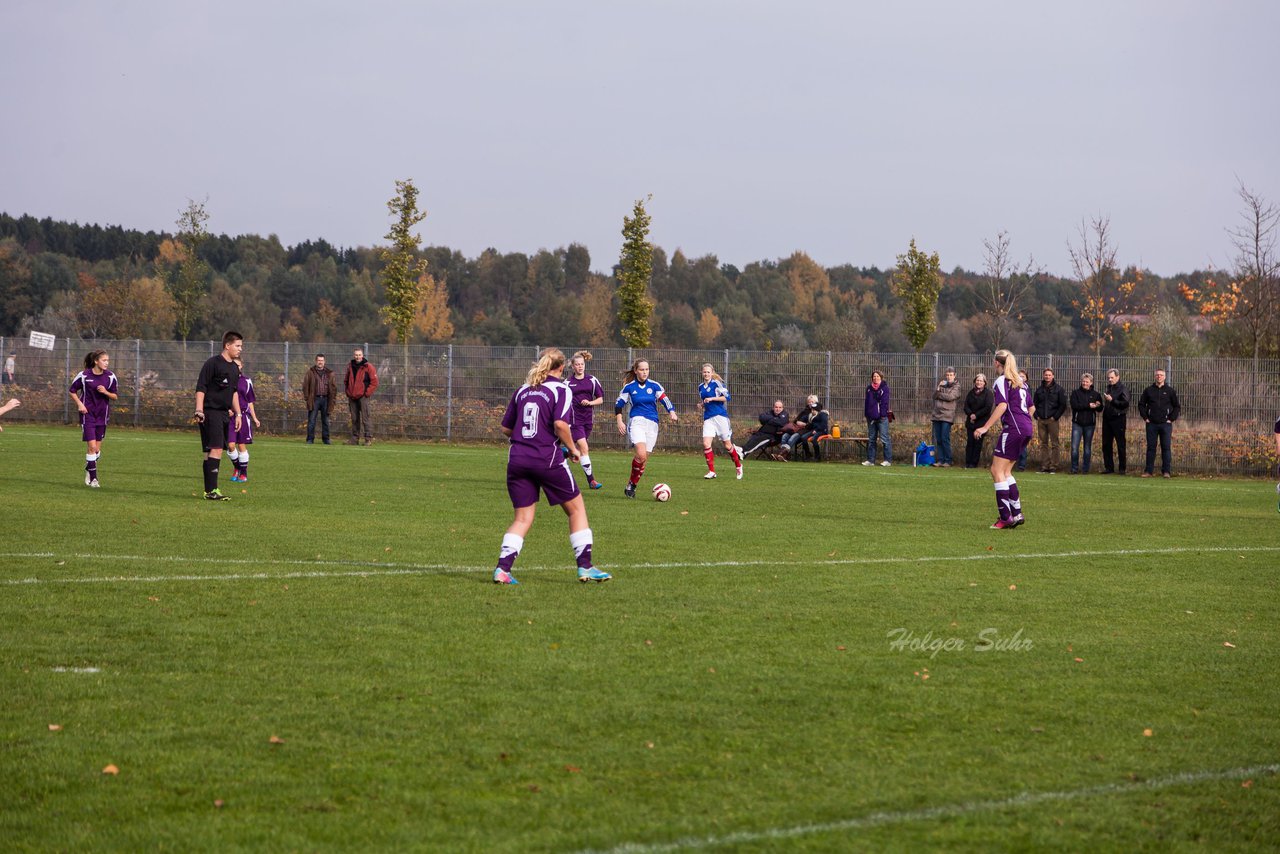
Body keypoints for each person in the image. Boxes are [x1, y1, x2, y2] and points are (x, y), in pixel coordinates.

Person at [493, 347, 609, 585]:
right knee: (576, 510)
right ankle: (585, 566)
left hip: (517, 459)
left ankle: (502, 569)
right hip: (546, 459)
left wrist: (528, 440)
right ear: (561, 367)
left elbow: (506, 428)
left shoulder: (522, 390)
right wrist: (573, 450)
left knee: (523, 518)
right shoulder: (561, 389)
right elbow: (560, 424)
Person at [973, 349, 1034, 530]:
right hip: (1026, 428)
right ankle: (1017, 513)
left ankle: (1005, 517)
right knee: (1006, 472)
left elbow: (1002, 405)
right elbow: (1031, 408)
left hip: (1014, 429)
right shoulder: (1021, 382)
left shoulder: (1002, 380)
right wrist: (1024, 423)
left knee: (996, 470)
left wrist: (985, 427)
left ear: (996, 363)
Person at [615, 358, 678, 498]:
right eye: (642, 369)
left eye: (647, 369)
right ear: (636, 370)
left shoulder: (654, 386)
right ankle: (632, 485)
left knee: (643, 459)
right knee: (641, 454)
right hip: (637, 422)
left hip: (653, 424)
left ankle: (632, 484)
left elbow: (664, 399)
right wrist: (619, 421)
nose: (645, 372)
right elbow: (619, 404)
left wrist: (672, 411)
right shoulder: (629, 387)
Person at [194, 331, 244, 501]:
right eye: (237, 346)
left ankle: (208, 491)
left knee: (210, 451)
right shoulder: (212, 363)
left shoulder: (234, 368)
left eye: (241, 346)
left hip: (224, 413)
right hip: (210, 412)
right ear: (227, 345)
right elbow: (201, 388)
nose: (240, 349)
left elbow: (234, 393)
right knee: (215, 449)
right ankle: (213, 490)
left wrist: (238, 414)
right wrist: (199, 410)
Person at [68, 349, 118, 488]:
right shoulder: (84, 375)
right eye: (104, 360)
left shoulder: (111, 376)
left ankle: (89, 467)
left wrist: (105, 392)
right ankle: (94, 480)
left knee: (96, 451)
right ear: (96, 361)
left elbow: (115, 396)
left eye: (108, 360)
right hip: (87, 414)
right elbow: (72, 391)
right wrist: (80, 404)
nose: (107, 363)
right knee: (92, 447)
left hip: (102, 415)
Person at [565, 351, 605, 489]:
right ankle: (592, 481)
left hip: (588, 419)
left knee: (578, 450)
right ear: (572, 366)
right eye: (577, 364)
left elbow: (600, 399)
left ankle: (564, 452)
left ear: (584, 365)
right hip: (574, 420)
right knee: (584, 448)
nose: (580, 367)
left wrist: (590, 403)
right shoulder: (567, 383)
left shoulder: (592, 380)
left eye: (582, 364)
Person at [698, 363, 744, 479]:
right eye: (704, 372)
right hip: (708, 418)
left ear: (712, 373)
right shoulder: (700, 387)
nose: (706, 374)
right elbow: (706, 401)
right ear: (702, 373)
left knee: (728, 445)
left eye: (708, 372)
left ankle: (738, 466)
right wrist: (702, 404)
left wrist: (712, 398)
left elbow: (727, 397)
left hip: (720, 417)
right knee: (706, 443)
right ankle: (712, 471)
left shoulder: (717, 383)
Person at [1138, 368, 1180, 478]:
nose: (1159, 377)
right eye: (1157, 375)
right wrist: (1145, 417)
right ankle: (1148, 471)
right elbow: (1141, 404)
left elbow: (1176, 406)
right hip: (1151, 424)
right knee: (1151, 448)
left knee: (1166, 448)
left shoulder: (1170, 391)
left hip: (1166, 424)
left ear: (1165, 377)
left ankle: (1166, 472)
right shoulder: (1148, 390)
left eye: (1161, 375)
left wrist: (1171, 418)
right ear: (1154, 376)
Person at [227, 357, 261, 483]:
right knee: (230, 445)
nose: (236, 368)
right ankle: (237, 468)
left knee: (241, 445)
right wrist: (227, 409)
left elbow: (250, 401)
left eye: (238, 365)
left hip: (243, 416)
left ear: (242, 366)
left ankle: (243, 473)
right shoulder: (227, 380)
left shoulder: (246, 381)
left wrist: (255, 418)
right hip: (230, 417)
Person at [1032, 368, 1067, 473]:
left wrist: (1055, 417)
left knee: (1055, 443)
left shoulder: (1059, 389)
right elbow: (1033, 404)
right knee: (1043, 444)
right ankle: (1044, 466)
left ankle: (1053, 466)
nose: (1047, 376)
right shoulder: (1039, 390)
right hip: (1041, 420)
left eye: (1049, 375)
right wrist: (1036, 416)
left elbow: (1063, 405)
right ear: (1043, 376)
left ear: (1053, 376)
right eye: (1045, 375)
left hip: (1053, 420)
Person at [1069, 373, 1104, 474]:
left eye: (1087, 381)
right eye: (1083, 381)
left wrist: (1097, 405)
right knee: (1074, 447)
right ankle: (1074, 468)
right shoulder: (1075, 393)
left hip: (1090, 425)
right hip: (1077, 424)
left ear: (1091, 383)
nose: (1085, 383)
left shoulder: (1096, 394)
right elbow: (1074, 405)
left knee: (1087, 448)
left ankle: (1085, 469)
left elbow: (1100, 409)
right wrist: (1088, 405)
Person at [344, 347, 379, 445]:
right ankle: (355, 439)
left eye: (359, 355)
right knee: (354, 419)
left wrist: (367, 393)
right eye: (356, 355)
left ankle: (368, 439)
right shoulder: (350, 366)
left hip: (363, 397)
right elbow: (346, 380)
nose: (357, 357)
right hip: (352, 397)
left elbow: (374, 382)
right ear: (353, 355)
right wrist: (348, 391)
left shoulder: (368, 367)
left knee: (365, 418)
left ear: (362, 355)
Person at [930, 366, 961, 467]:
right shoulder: (942, 384)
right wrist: (938, 388)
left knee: (944, 438)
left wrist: (940, 394)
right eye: (947, 375)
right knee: (938, 439)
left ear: (954, 375)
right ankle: (940, 460)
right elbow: (934, 396)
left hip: (947, 415)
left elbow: (951, 397)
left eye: (951, 375)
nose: (949, 377)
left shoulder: (957, 386)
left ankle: (948, 460)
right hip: (937, 415)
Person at [1101, 368, 1130, 474]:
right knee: (1106, 444)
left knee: (1120, 444)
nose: (1110, 379)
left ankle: (1122, 469)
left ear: (1118, 377)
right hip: (1107, 419)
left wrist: (1112, 400)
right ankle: (1109, 468)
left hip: (1118, 419)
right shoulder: (1109, 388)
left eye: (1112, 377)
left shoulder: (1123, 389)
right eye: (1108, 378)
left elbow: (1125, 403)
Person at [963, 373, 994, 469]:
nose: (979, 382)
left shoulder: (988, 393)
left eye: (981, 381)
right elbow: (966, 406)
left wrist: (976, 415)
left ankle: (974, 463)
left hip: (981, 423)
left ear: (984, 383)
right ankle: (967, 462)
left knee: (977, 443)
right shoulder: (971, 392)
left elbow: (988, 407)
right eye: (977, 380)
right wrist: (971, 414)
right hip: (970, 422)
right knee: (970, 443)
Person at [303, 354, 335, 444]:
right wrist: (307, 398)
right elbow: (305, 386)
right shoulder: (310, 372)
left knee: (325, 421)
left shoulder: (329, 373)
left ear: (324, 361)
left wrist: (333, 400)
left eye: (322, 360)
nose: (320, 362)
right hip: (314, 399)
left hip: (326, 399)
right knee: (312, 420)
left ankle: (326, 439)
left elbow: (333, 387)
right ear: (316, 361)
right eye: (319, 360)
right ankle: (310, 439)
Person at [863, 370, 891, 466]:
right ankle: (871, 460)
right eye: (874, 376)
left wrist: (882, 415)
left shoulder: (885, 388)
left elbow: (884, 403)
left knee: (884, 439)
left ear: (881, 377)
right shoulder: (868, 389)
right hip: (871, 418)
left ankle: (887, 460)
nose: (876, 378)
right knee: (871, 439)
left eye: (877, 376)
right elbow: (867, 403)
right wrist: (867, 414)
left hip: (881, 418)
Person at [779, 395, 820, 459]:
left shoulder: (817, 412)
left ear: (816, 402)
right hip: (797, 429)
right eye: (809, 402)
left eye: (812, 402)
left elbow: (813, 425)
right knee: (784, 436)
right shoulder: (804, 411)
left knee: (792, 438)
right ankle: (783, 455)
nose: (810, 403)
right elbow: (796, 421)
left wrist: (804, 424)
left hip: (805, 431)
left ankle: (782, 454)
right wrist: (797, 422)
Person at [1015, 370, 1032, 471]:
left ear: (1026, 378)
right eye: (1019, 376)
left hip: (1024, 419)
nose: (1021, 378)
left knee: (1023, 443)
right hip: (1016, 419)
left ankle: (1022, 464)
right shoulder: (1014, 388)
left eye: (1023, 376)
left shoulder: (1027, 389)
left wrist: (1028, 417)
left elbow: (1032, 406)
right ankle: (1013, 462)